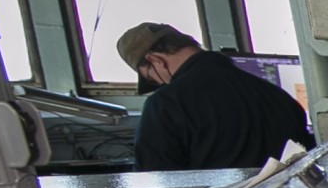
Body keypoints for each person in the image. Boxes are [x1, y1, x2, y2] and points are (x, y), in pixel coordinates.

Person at [115, 22, 313, 172]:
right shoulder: (276, 95)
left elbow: (155, 184)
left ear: (156, 60)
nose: (162, 85)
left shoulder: (166, 104)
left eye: (152, 78)